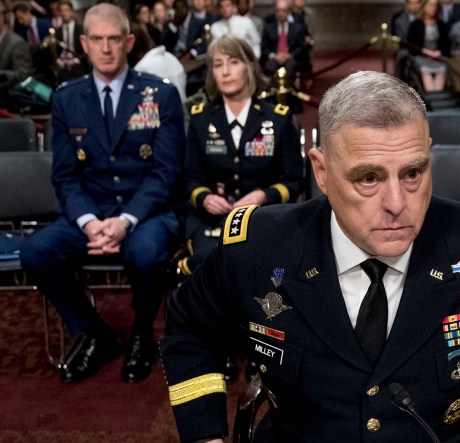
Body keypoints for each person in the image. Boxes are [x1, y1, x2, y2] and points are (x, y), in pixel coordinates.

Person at [160, 70, 460, 443]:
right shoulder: (257, 248)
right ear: (322, 171)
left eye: (412, 173)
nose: (396, 203)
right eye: (368, 178)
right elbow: (190, 330)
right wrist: (205, 434)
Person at [20, 3, 185, 384]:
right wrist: (91, 222)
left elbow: (165, 173)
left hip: (146, 211)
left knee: (146, 253)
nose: (106, 48)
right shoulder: (66, 99)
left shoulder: (158, 94)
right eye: (97, 40)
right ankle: (96, 332)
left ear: (129, 42)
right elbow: (64, 176)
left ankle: (143, 333)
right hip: (90, 212)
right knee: (35, 251)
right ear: (84, 44)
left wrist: (125, 221)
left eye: (114, 39)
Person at [178, 35, 303, 275]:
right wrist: (204, 198)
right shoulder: (200, 119)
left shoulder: (277, 119)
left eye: (233, 62)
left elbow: (294, 181)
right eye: (217, 64)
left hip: (264, 218)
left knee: (261, 262)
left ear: (250, 66)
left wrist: (262, 195)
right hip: (211, 221)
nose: (225, 71)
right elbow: (189, 179)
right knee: (208, 261)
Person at [407, 0, 450, 92]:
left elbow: (446, 43)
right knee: (426, 73)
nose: (433, 7)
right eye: (431, 5)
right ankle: (431, 99)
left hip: (437, 57)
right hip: (422, 56)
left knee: (441, 70)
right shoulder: (416, 24)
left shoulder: (441, 24)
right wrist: (425, 52)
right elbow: (411, 45)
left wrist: (439, 52)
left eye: (435, 5)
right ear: (424, 6)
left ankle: (438, 100)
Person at [260, 0, 310, 76]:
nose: (281, 13)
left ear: (288, 12)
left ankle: (290, 87)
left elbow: (301, 48)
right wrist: (274, 56)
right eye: (278, 11)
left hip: (291, 57)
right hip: (274, 57)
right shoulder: (268, 28)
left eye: (283, 11)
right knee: (269, 66)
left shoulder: (297, 28)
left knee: (291, 65)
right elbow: (264, 48)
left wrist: (288, 55)